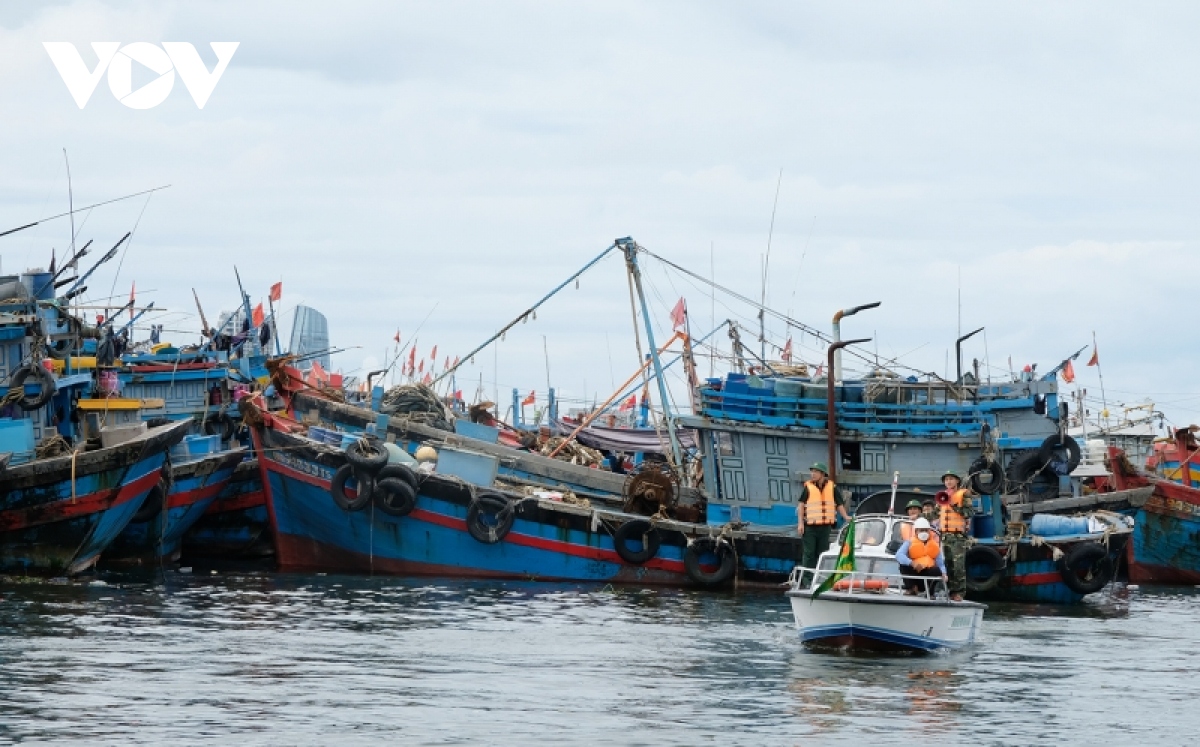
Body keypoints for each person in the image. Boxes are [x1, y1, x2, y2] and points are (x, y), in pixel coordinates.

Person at [797, 461, 852, 587]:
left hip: (825, 527)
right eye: (812, 471)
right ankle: (806, 580)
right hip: (810, 527)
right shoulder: (808, 487)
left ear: (823, 474)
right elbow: (801, 505)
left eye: (816, 472)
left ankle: (819, 579)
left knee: (822, 553)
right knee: (809, 553)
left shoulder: (832, 487)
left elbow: (839, 504)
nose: (813, 474)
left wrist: (845, 517)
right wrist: (800, 523)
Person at [938, 469, 976, 601]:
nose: (948, 481)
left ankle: (959, 592)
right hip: (945, 536)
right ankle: (949, 591)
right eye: (946, 479)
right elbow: (935, 513)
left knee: (958, 566)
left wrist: (953, 504)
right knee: (947, 565)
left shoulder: (964, 494)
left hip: (958, 537)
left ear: (957, 481)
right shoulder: (942, 496)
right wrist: (918, 516)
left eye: (951, 479)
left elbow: (969, 512)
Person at [895, 518, 947, 597]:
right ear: (916, 531)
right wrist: (912, 563)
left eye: (926, 530)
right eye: (921, 530)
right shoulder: (909, 542)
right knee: (903, 565)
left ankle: (930, 593)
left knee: (937, 570)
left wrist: (944, 573)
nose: (924, 533)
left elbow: (941, 564)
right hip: (914, 573)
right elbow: (899, 555)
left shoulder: (935, 546)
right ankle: (911, 589)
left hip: (927, 574)